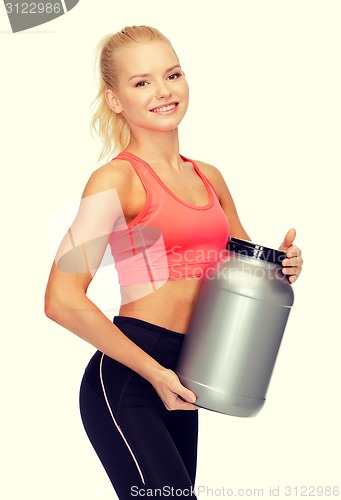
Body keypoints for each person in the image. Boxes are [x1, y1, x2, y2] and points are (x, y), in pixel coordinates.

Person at [44, 25, 303, 499]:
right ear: (115, 99)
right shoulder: (116, 180)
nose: (163, 91)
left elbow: (243, 269)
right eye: (141, 82)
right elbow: (61, 299)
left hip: (188, 376)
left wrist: (281, 264)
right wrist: (155, 372)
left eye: (173, 74)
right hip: (130, 378)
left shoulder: (209, 177)